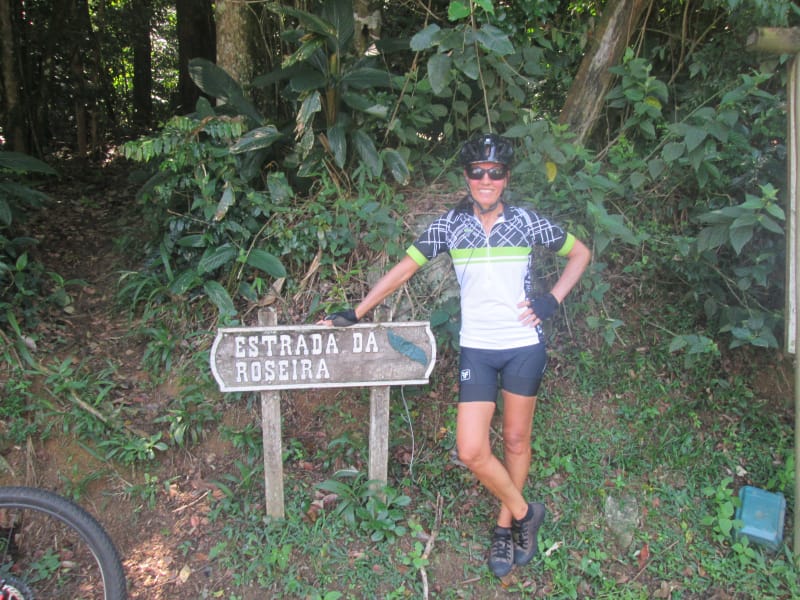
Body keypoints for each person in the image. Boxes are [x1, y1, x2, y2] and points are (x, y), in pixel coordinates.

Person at [320, 133, 591, 578]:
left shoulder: (526, 222)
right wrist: (357, 311)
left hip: (523, 345)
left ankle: (505, 527)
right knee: (470, 449)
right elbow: (405, 268)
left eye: (495, 172)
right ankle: (526, 513)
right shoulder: (450, 225)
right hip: (477, 348)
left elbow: (580, 253)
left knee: (516, 440)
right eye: (477, 172)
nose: (486, 180)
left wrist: (552, 299)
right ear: (466, 177)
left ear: (506, 178)